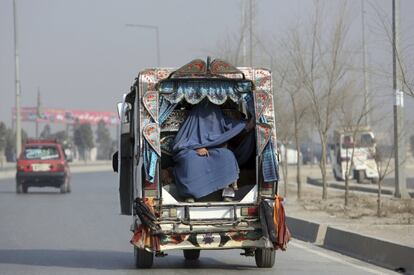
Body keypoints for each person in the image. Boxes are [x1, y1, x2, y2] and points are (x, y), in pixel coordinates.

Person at [172, 99, 253, 202]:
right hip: (192, 150)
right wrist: (196, 147)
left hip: (214, 149)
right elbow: (179, 144)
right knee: (190, 160)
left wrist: (249, 124)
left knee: (227, 155)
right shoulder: (191, 121)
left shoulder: (221, 119)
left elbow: (235, 126)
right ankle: (190, 194)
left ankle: (227, 191)